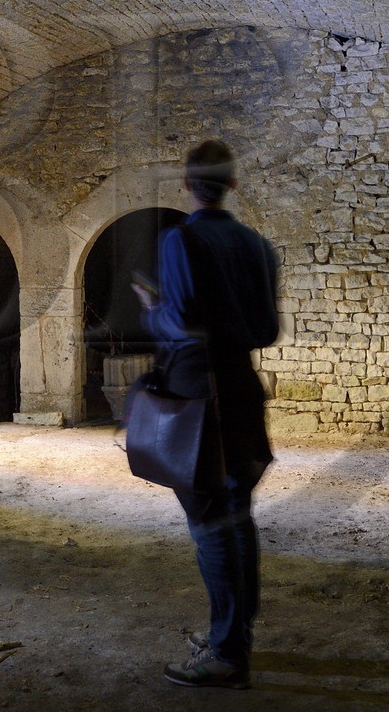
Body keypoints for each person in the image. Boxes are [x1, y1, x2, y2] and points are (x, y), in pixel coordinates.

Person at [133, 140, 280, 689]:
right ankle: (233, 634)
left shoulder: (181, 239)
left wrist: (153, 308)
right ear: (232, 185)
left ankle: (227, 656)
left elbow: (180, 323)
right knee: (236, 516)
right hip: (242, 390)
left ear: (188, 185)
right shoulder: (258, 245)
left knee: (211, 525)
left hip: (201, 397)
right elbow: (266, 331)